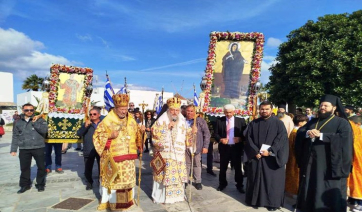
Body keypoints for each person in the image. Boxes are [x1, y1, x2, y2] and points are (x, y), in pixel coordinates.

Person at [295, 94, 353, 212]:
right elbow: (301, 132)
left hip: (330, 164)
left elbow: (344, 139)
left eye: (326, 106)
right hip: (312, 163)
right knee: (311, 185)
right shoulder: (313, 122)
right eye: (321, 105)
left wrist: (321, 136)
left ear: (334, 108)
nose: (322, 107)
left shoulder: (342, 123)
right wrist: (307, 133)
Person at [93, 94, 143, 211]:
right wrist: (109, 135)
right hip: (114, 158)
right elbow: (97, 136)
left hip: (129, 158)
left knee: (128, 182)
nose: (124, 112)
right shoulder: (107, 120)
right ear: (115, 108)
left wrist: (142, 132)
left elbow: (137, 136)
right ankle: (110, 202)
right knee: (113, 181)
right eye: (121, 109)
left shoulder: (131, 120)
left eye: (125, 109)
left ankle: (129, 200)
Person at [244, 101, 289, 211]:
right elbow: (248, 138)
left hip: (272, 158)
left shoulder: (278, 123)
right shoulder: (253, 123)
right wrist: (255, 152)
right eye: (262, 109)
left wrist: (270, 151)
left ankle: (272, 204)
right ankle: (255, 201)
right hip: (257, 157)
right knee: (255, 178)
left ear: (271, 110)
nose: (264, 111)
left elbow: (281, 139)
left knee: (271, 181)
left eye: (266, 109)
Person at [151, 97, 189, 204]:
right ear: (168, 110)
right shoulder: (161, 120)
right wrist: (167, 127)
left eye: (177, 110)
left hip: (178, 155)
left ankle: (177, 197)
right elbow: (155, 135)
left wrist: (192, 133)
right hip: (164, 155)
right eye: (172, 110)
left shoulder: (183, 121)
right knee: (162, 176)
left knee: (177, 176)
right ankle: (161, 197)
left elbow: (188, 137)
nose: (175, 112)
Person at [10, 103, 48, 193]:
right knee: (24, 168)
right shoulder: (18, 122)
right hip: (24, 148)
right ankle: (24, 185)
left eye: (31, 110)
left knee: (42, 167)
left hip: (38, 147)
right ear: (23, 111)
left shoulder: (40, 120)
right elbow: (15, 136)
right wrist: (13, 149)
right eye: (27, 110)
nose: (29, 112)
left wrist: (34, 123)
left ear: (33, 111)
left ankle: (40, 184)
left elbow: (44, 131)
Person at [214, 104, 246, 193]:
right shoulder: (219, 121)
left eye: (230, 112)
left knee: (238, 168)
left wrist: (240, 138)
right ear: (224, 112)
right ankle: (222, 184)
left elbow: (245, 134)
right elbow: (215, 134)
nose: (228, 114)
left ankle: (239, 185)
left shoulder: (240, 121)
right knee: (223, 167)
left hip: (236, 148)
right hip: (225, 148)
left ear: (234, 112)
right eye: (226, 112)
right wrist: (220, 139)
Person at [185, 104, 211, 190]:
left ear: (195, 111)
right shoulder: (182, 120)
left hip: (196, 146)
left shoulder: (200, 121)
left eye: (191, 111)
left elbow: (207, 134)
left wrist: (205, 146)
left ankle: (198, 181)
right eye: (188, 111)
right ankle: (185, 180)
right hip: (185, 146)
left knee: (197, 164)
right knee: (186, 164)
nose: (189, 113)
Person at [77, 107, 102, 190]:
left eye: (94, 114)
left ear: (99, 115)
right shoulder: (86, 124)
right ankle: (89, 183)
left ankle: (101, 182)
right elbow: (79, 133)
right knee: (88, 167)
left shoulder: (103, 124)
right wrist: (85, 126)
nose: (92, 116)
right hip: (89, 148)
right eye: (90, 114)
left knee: (101, 167)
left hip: (100, 149)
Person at [285, 114, 308, 197]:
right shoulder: (297, 132)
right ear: (300, 123)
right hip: (295, 156)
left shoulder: (294, 131)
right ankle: (295, 191)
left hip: (291, 155)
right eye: (305, 122)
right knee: (295, 174)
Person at [347, 116, 362, 211]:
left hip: (359, 163)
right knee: (353, 180)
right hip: (353, 162)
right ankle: (353, 200)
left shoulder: (359, 134)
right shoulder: (354, 134)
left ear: (358, 124)